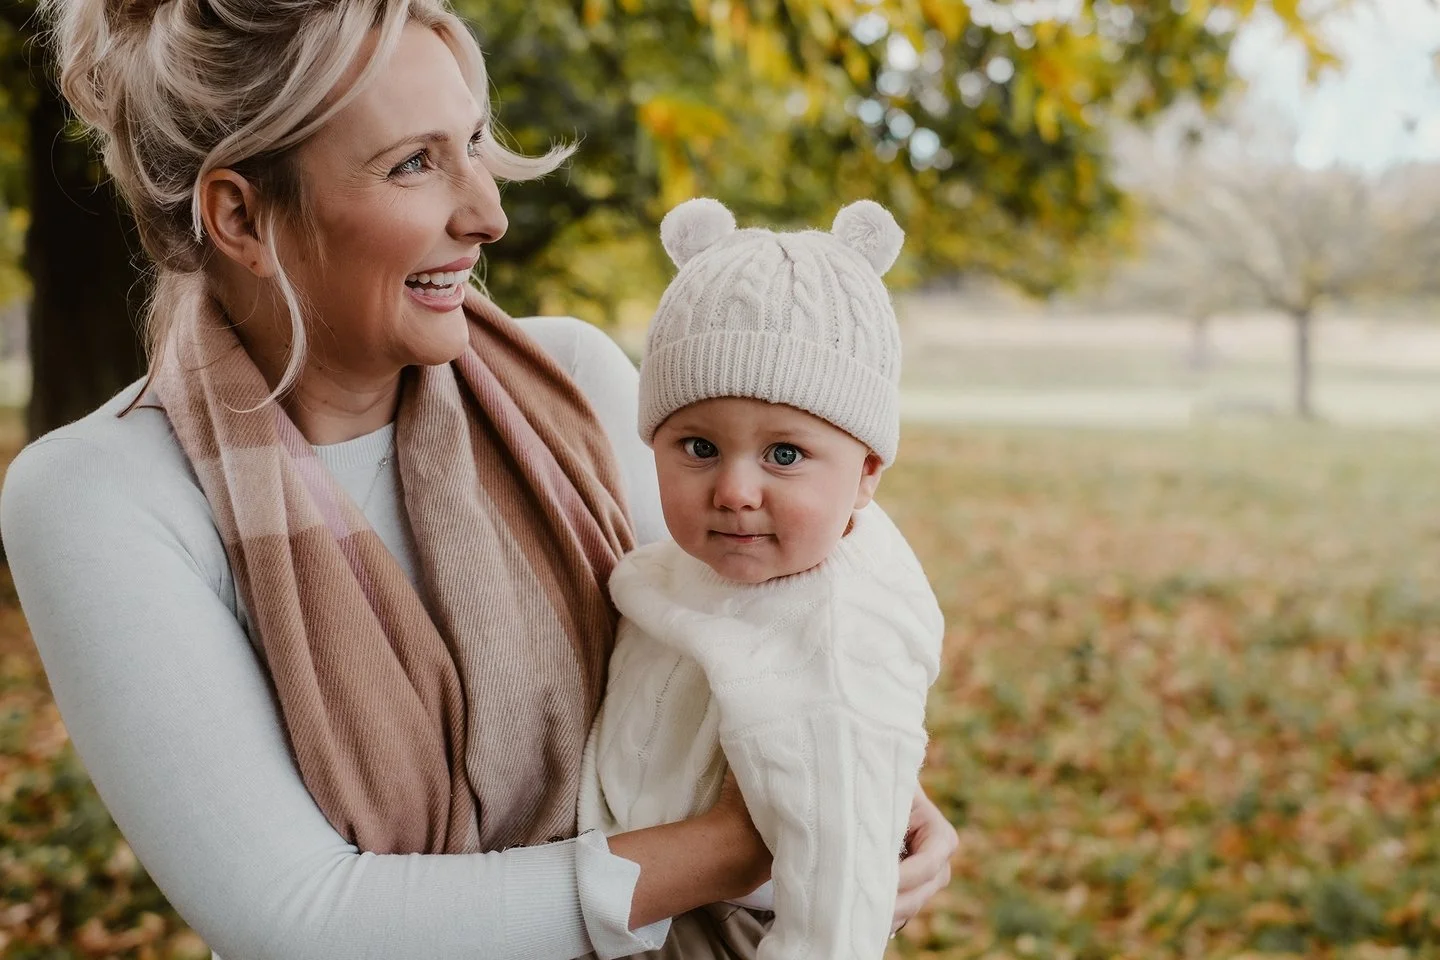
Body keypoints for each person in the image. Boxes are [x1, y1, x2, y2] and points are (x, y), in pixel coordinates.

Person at [1, 1, 958, 958]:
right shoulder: (103, 496)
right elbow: (299, 918)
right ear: (242, 215)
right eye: (414, 163)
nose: (489, 212)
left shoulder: (575, 385)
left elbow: (742, 645)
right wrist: (754, 841)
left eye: (472, 144)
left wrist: (861, 783)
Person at [579, 198, 944, 959]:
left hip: (743, 931)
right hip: (643, 902)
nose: (736, 491)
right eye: (699, 447)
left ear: (867, 472)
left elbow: (841, 896)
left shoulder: (840, 634)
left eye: (784, 455)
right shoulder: (677, 572)